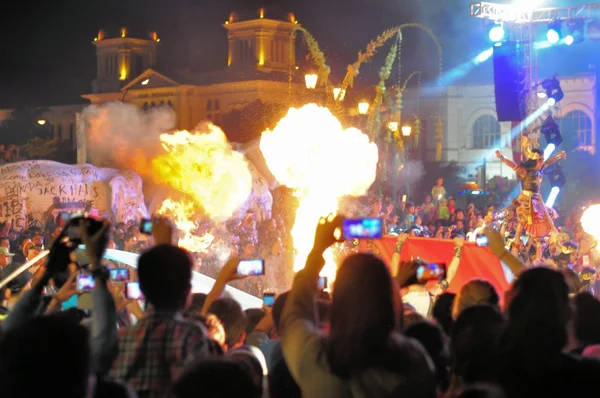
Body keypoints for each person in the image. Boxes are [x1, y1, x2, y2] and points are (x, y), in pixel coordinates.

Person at [280, 215, 436, 397]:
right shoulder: (413, 361)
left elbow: (294, 313)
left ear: (337, 302)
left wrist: (317, 250)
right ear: (388, 303)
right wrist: (396, 285)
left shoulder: (315, 358)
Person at [495, 147, 566, 260]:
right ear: (536, 160)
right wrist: (501, 157)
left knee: (546, 219)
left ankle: (538, 255)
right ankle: (515, 249)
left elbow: (548, 162)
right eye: (541, 160)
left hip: (537, 201)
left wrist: (559, 155)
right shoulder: (525, 172)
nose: (543, 161)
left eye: (542, 159)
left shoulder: (541, 168)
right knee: (522, 223)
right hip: (525, 200)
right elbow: (512, 165)